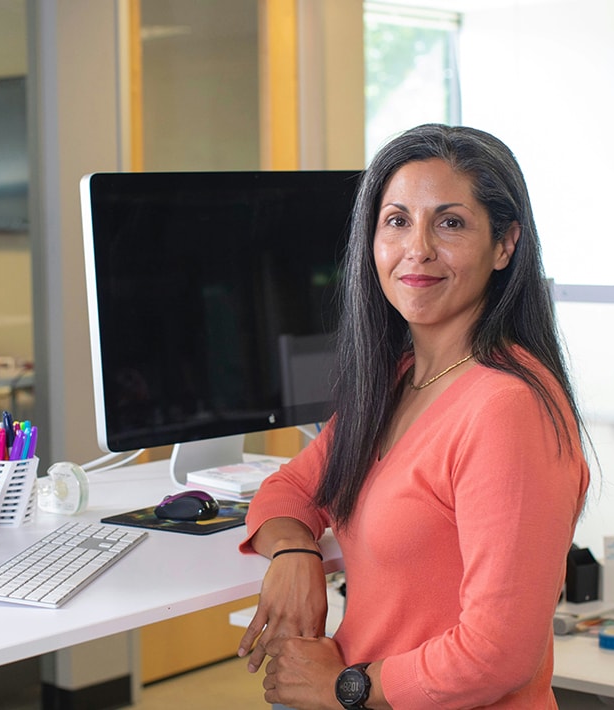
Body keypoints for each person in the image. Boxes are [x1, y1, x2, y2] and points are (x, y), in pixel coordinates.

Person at [236, 123, 590, 709]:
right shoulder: (398, 380)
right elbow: (288, 489)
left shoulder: (508, 408)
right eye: (397, 221)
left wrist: (345, 686)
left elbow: (498, 651)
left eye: (450, 223)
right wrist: (295, 553)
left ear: (505, 245)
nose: (417, 248)